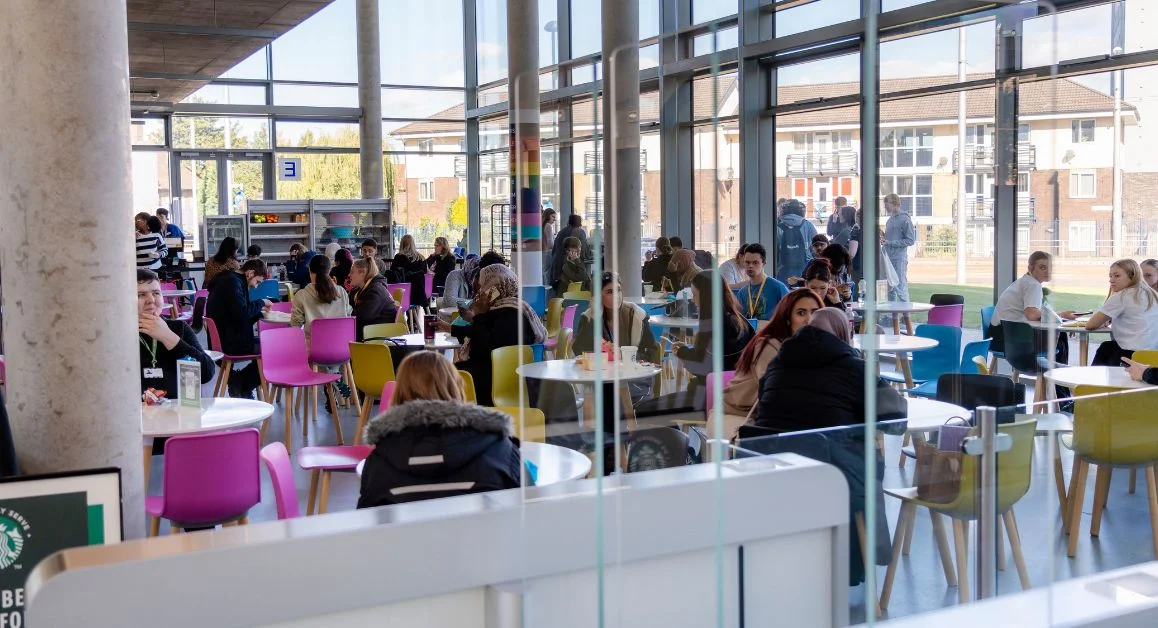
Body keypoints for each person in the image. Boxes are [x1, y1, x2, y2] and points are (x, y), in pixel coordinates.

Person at [754, 307, 905, 588]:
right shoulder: (852, 366)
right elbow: (895, 420)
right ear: (842, 333)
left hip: (771, 473)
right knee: (870, 464)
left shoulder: (777, 362)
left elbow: (766, 406)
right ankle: (855, 565)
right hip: (831, 475)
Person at [357, 351, 521, 508]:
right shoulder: (501, 450)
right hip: (484, 536)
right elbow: (526, 513)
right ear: (456, 387)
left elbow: (369, 524)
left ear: (400, 392)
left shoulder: (379, 462)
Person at [437, 265, 548, 406]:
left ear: (494, 290)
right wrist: (456, 325)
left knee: (441, 376)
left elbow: (482, 350)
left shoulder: (509, 315)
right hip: (504, 374)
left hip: (500, 380)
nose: (478, 293)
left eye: (482, 287)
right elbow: (481, 334)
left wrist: (479, 315)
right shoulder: (511, 307)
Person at [717, 288, 823, 436]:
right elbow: (774, 394)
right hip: (736, 414)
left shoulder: (816, 347)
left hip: (771, 415)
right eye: (801, 313)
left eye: (815, 312)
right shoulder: (769, 345)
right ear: (787, 319)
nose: (809, 319)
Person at [573, 272, 663, 431]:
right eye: (609, 292)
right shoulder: (588, 318)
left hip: (635, 379)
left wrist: (624, 355)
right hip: (603, 381)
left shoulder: (636, 315)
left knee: (632, 411)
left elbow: (651, 351)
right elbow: (579, 352)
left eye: (619, 290)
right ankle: (614, 447)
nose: (617, 296)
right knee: (608, 406)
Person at [137, 269, 214, 401]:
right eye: (141, 295)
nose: (151, 300)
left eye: (156, 293)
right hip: (136, 417)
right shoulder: (121, 336)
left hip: (180, 413)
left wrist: (168, 337)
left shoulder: (179, 329)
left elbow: (206, 374)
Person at [206, 258, 272, 397]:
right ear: (250, 273)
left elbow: (236, 314)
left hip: (223, 339)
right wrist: (261, 302)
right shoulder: (233, 283)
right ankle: (242, 382)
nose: (255, 286)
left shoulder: (226, 280)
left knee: (266, 345)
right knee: (273, 350)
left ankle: (238, 381)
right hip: (232, 343)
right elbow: (242, 313)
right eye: (257, 281)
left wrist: (259, 313)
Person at [990, 251, 1078, 353]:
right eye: (1042, 268)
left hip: (997, 337)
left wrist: (1059, 316)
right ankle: (1055, 369)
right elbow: (1031, 314)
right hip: (1008, 340)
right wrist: (1061, 315)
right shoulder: (1033, 285)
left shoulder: (1025, 281)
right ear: (1030, 268)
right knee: (1060, 337)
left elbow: (1033, 313)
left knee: (1058, 334)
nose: (1048, 271)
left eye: (1050, 267)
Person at [672, 271, 754, 377]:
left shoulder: (714, 326)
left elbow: (702, 368)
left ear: (706, 296)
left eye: (695, 294)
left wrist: (682, 353)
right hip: (740, 384)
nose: (693, 299)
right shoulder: (738, 320)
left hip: (718, 387)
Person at [1086, 259, 1158, 367]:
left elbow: (1090, 325)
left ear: (1132, 276)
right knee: (1107, 347)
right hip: (1152, 353)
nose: (1111, 280)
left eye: (1117, 276)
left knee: (1106, 350)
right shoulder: (1152, 294)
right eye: (1110, 276)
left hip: (1132, 354)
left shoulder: (1122, 296)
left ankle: (1092, 381)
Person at [291, 254, 351, 346]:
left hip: (313, 353)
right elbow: (348, 318)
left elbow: (295, 326)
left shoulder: (301, 295)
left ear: (309, 270)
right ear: (329, 270)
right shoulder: (341, 292)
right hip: (342, 350)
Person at [733, 243, 789, 321]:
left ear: (764, 264)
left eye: (755, 262)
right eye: (747, 262)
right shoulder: (742, 293)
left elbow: (790, 316)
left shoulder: (778, 288)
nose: (750, 266)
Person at [349, 257, 398, 341]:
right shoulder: (364, 289)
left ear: (362, 273)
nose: (349, 275)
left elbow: (362, 317)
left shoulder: (375, 291)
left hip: (376, 336)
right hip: (369, 331)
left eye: (352, 272)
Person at [881, 193, 915, 303]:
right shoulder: (889, 220)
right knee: (890, 289)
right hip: (888, 258)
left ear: (895, 203)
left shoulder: (905, 219)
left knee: (900, 287)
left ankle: (906, 316)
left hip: (899, 258)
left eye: (887, 205)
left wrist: (890, 242)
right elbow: (888, 238)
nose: (885, 207)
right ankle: (891, 317)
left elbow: (910, 240)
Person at [775, 199, 817, 283]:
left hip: (782, 270)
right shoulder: (808, 225)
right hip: (804, 269)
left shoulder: (777, 227)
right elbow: (815, 247)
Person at [392, 234, 430, 309]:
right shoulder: (421, 258)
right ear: (413, 244)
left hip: (404, 294)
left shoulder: (398, 257)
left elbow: (393, 274)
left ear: (401, 244)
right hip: (420, 294)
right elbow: (426, 274)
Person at [550, 214, 587, 289]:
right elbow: (584, 251)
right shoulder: (580, 232)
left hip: (556, 268)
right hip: (571, 274)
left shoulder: (561, 232)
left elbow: (554, 250)